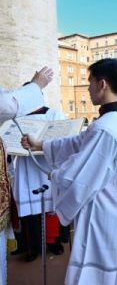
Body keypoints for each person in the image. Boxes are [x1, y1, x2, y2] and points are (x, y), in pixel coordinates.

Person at [22, 59, 117, 285]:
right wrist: (40, 144)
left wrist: (56, 174)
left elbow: (81, 175)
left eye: (90, 82)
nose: (88, 88)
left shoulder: (106, 127)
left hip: (104, 212)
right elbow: (79, 142)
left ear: (102, 84)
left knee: (98, 274)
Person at [0, 66, 53, 285]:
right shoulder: (16, 113)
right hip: (25, 168)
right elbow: (7, 105)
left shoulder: (53, 113)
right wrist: (36, 85)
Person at [11, 99, 66, 261]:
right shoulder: (18, 118)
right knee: (30, 213)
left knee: (51, 209)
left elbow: (64, 137)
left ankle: (53, 243)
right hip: (27, 167)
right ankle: (31, 247)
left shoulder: (55, 114)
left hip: (47, 165)